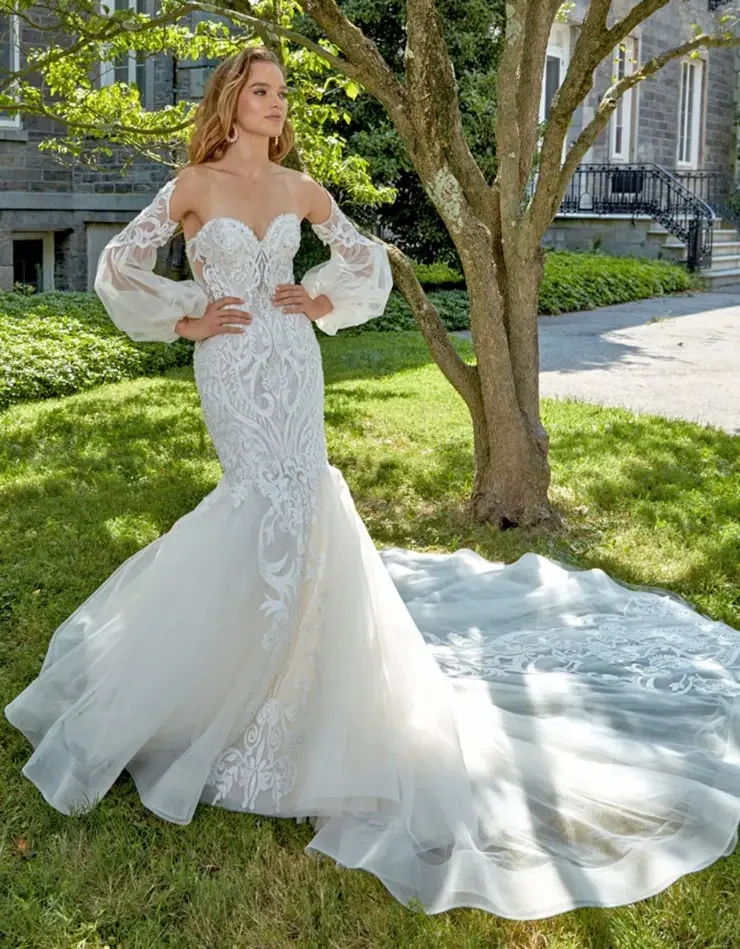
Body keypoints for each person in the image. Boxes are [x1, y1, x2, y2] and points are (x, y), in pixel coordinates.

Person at [5, 45, 740, 921]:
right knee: (256, 504)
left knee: (302, 501)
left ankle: (291, 687)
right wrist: (188, 319)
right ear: (232, 99)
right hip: (232, 367)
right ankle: (221, 686)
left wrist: (318, 300)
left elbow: (364, 264)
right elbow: (118, 264)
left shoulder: (303, 191)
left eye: (283, 93)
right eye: (264, 91)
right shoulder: (192, 185)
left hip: (291, 359)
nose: (278, 105)